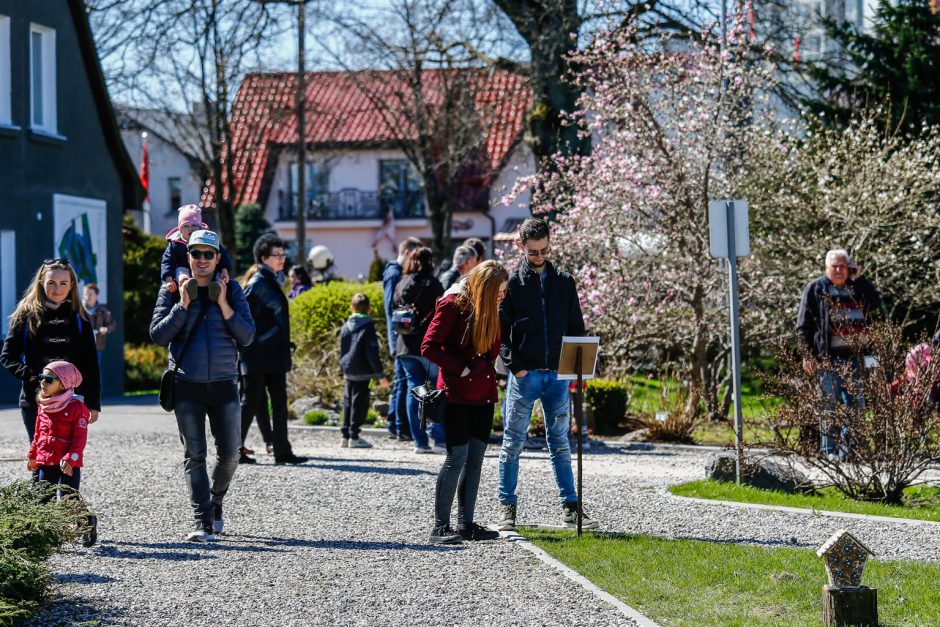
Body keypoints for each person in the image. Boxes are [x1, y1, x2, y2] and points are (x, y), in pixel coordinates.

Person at [150, 229, 255, 542]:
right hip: (186, 384)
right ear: (189, 257)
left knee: (231, 455)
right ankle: (203, 520)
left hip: (224, 384)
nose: (202, 259)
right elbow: (158, 335)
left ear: (217, 258)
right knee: (195, 454)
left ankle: (216, 501)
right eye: (196, 253)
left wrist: (223, 303)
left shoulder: (232, 289)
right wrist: (182, 305)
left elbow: (247, 336)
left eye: (208, 254)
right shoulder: (170, 291)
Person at [496, 217, 599, 531]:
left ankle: (570, 506)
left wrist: (575, 369)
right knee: (513, 442)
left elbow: (576, 327)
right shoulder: (513, 284)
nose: (539, 256)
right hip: (525, 376)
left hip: (557, 376)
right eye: (533, 252)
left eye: (543, 250)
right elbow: (501, 334)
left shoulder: (565, 282)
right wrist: (517, 367)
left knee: (561, 444)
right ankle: (507, 507)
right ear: (522, 247)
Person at [422, 260, 508, 544]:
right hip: (456, 391)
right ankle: (440, 527)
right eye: (498, 292)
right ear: (485, 289)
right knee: (457, 456)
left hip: (483, 393)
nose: (502, 297)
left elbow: (492, 350)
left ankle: (465, 524)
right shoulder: (452, 305)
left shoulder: (491, 311)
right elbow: (429, 346)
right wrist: (462, 368)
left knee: (476, 458)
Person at [2, 258, 101, 442]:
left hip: (72, 401)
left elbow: (91, 364)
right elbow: (8, 356)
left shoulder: (81, 317)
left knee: (68, 458)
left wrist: (93, 402)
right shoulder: (26, 314)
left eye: (63, 283)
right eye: (51, 283)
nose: (57, 289)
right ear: (41, 283)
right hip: (35, 400)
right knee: (41, 456)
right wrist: (28, 375)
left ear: (72, 285)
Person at [797, 248, 882, 460]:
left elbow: (876, 304)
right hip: (828, 360)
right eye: (833, 266)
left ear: (849, 268)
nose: (838, 270)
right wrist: (807, 355)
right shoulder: (816, 289)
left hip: (856, 360)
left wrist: (859, 279)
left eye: (842, 266)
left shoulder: (856, 289)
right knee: (828, 408)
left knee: (857, 407)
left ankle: (850, 451)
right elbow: (802, 327)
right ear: (826, 268)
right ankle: (830, 453)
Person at [239, 234, 308, 465]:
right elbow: (245, 322)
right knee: (249, 403)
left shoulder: (272, 280)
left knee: (279, 403)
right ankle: (232, 449)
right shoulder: (257, 283)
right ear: (263, 258)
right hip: (257, 355)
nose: (282, 259)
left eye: (282, 254)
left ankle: (282, 450)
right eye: (277, 255)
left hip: (275, 354)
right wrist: (262, 341)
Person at [27, 360, 97, 546]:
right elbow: (38, 432)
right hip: (46, 458)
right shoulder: (44, 405)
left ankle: (87, 522)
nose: (43, 382)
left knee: (68, 500)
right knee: (43, 497)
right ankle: (46, 535)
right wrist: (33, 454)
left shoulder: (76, 408)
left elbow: (79, 438)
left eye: (49, 379)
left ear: (64, 383)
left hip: (67, 463)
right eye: (42, 377)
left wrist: (72, 457)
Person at [394, 246, 446, 453]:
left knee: (414, 390)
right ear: (430, 262)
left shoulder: (401, 284)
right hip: (428, 345)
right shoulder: (433, 284)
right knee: (437, 391)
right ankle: (440, 439)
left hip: (404, 345)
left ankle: (420, 442)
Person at [383, 237, 422, 441]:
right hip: (399, 336)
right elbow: (392, 309)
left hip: (399, 336)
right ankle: (398, 427)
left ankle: (395, 424)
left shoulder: (396, 273)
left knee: (402, 382)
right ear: (407, 253)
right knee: (402, 382)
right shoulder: (394, 274)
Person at [339, 293, 389, 448]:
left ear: (351, 308)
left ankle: (345, 436)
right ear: (369, 309)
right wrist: (380, 375)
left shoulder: (345, 326)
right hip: (364, 372)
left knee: (348, 402)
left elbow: (342, 349)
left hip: (348, 370)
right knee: (360, 403)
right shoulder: (368, 326)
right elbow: (371, 352)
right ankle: (354, 435)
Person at [237, 265, 273, 460]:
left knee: (259, 401)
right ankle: (236, 447)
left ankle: (269, 441)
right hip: (251, 355)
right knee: (249, 401)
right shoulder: (252, 295)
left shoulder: (248, 295)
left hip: (251, 354)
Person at [161, 205, 232, 300]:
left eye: (194, 225)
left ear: (200, 227)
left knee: (217, 275)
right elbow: (167, 261)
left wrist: (224, 271)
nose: (190, 228)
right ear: (180, 230)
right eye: (186, 225)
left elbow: (222, 254)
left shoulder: (208, 239)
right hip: (184, 268)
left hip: (207, 271)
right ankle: (188, 288)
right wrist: (169, 279)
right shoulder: (175, 244)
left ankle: (216, 288)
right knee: (181, 273)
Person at [82, 283, 116, 370]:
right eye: (86, 294)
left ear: (97, 295)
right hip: (81, 345)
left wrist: (106, 329)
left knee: (95, 370)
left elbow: (112, 324)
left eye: (90, 294)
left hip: (97, 346)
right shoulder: (79, 310)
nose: (87, 296)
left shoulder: (103, 311)